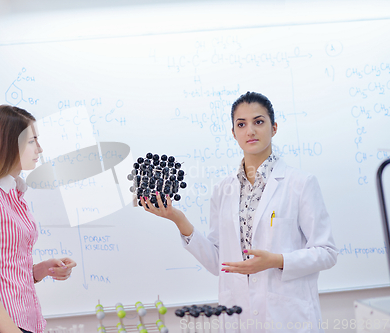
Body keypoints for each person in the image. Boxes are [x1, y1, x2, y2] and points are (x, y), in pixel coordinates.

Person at [141, 92, 338, 332]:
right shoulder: (223, 189)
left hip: (287, 318)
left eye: (258, 121)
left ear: (273, 127)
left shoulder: (301, 183)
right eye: (241, 124)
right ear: (233, 133)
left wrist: (276, 261)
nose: (250, 131)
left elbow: (326, 252)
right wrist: (178, 219)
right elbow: (218, 263)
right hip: (239, 318)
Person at [0, 105, 77, 333]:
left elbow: (7, 269)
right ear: (9, 143)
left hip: (25, 320)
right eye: (32, 141)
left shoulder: (14, 193)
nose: (40, 149)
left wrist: (43, 269)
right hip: (5, 325)